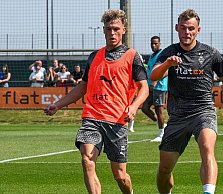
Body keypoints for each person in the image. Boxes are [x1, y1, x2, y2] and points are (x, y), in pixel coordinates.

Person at [44, 9, 148, 194]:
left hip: (117, 121)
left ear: (124, 29)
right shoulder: (94, 57)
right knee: (87, 160)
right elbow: (82, 87)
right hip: (92, 118)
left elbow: (144, 87)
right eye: (108, 29)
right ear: (104, 30)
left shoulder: (133, 56)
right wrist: (58, 104)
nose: (112, 33)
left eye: (116, 28)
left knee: (120, 175)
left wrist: (133, 106)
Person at [150, 9, 223, 194]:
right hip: (178, 116)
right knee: (164, 170)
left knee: (206, 147)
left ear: (198, 30)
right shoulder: (168, 52)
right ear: (177, 28)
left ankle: (208, 192)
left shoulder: (211, 54)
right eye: (184, 28)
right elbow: (153, 77)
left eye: (191, 29)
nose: (187, 32)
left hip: (204, 111)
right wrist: (167, 64)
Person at [141, 35, 168, 142]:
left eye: (155, 43)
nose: (153, 45)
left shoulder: (162, 55)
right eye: (152, 43)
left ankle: (161, 134)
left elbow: (165, 69)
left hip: (160, 86)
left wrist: (156, 81)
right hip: (151, 87)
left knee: (159, 109)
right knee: (145, 108)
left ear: (159, 44)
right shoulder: (152, 56)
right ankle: (163, 125)